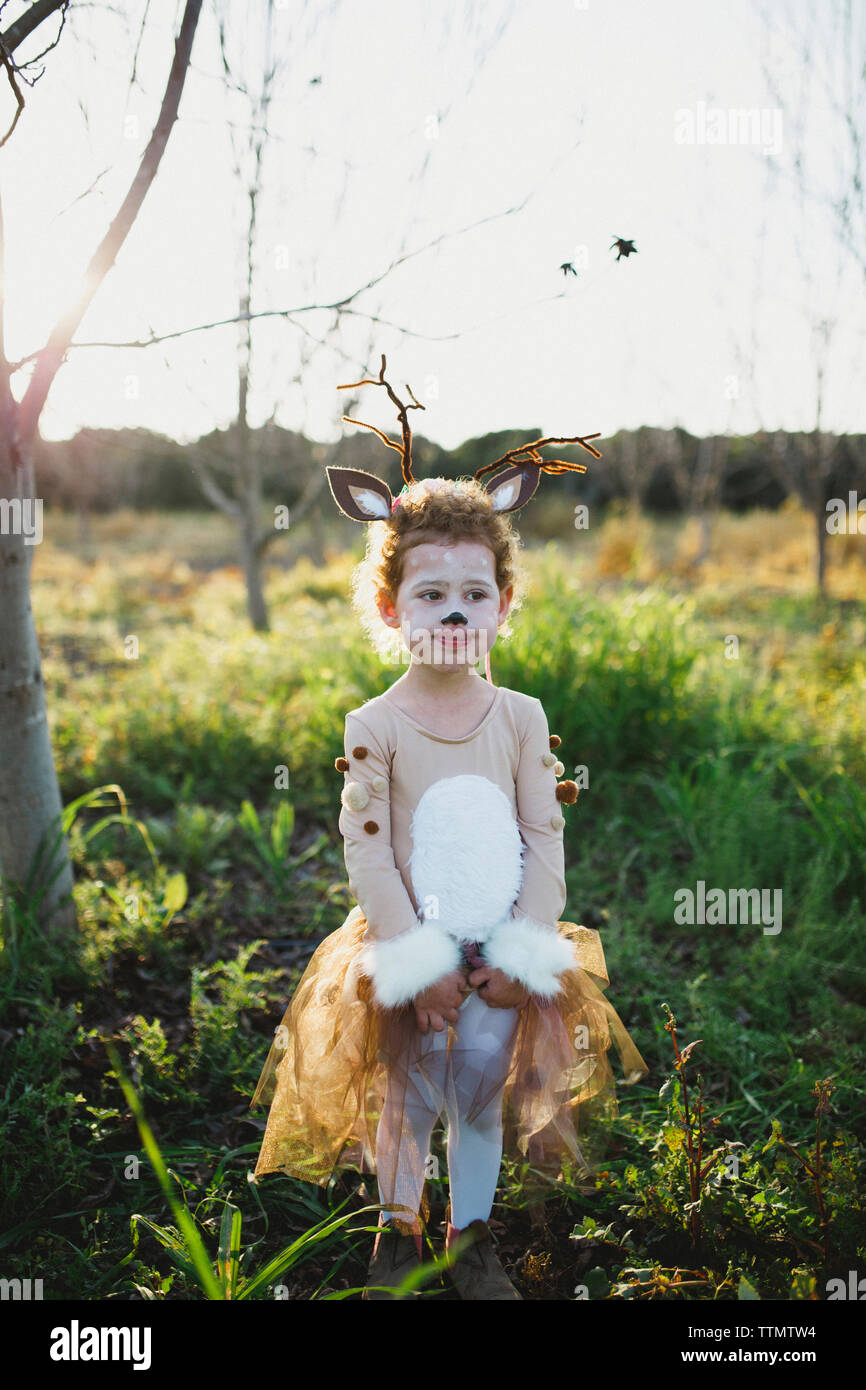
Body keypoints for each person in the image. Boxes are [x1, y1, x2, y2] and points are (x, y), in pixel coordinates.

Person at [249, 365, 649, 1300]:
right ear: (390, 609)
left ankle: (472, 1237)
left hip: (500, 938)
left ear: (504, 604)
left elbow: (543, 836)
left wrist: (526, 947)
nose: (457, 610)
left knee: (477, 1087)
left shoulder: (518, 717)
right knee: (405, 1088)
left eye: (476, 592)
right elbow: (369, 845)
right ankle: (397, 1233)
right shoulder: (373, 725)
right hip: (409, 941)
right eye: (432, 595)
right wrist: (415, 957)